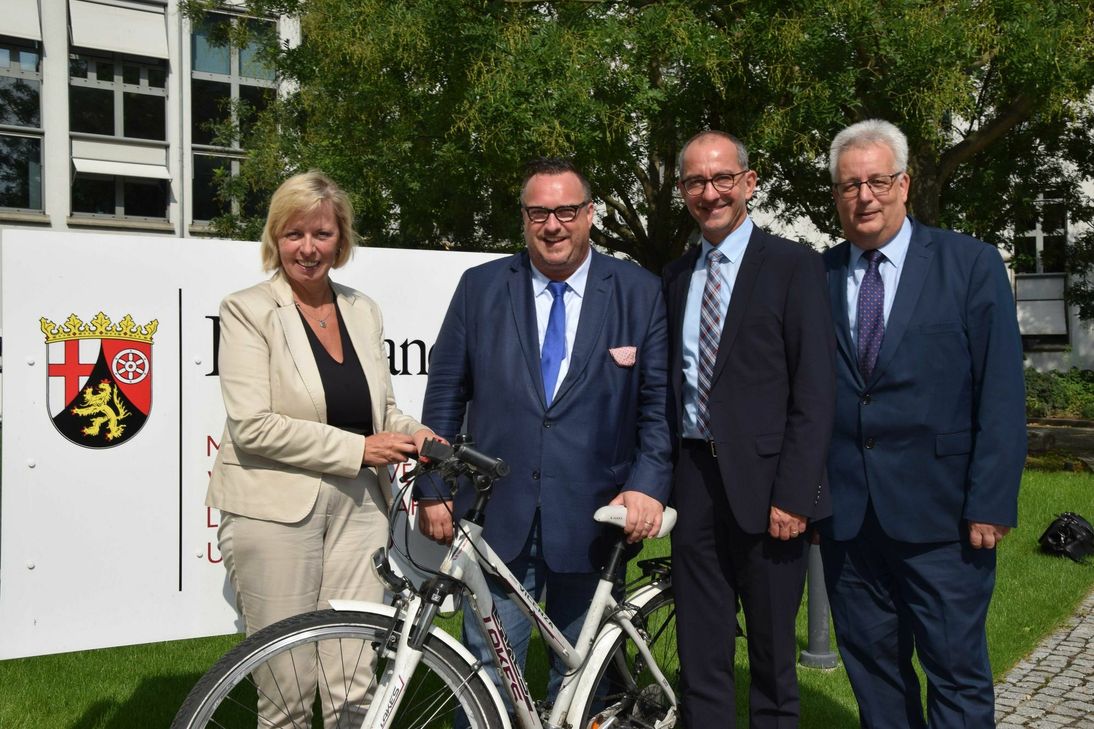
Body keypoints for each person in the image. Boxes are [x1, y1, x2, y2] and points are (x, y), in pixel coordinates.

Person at [417, 157, 673, 710]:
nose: (553, 225)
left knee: (583, 682)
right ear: (524, 218)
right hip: (496, 515)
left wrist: (649, 483)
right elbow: (445, 392)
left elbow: (657, 406)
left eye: (566, 211)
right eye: (539, 213)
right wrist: (433, 485)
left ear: (590, 214)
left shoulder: (638, 291)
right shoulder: (480, 287)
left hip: (594, 518)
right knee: (483, 672)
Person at [206, 170, 435, 727]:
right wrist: (361, 449)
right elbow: (253, 425)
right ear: (275, 238)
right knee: (286, 692)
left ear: (342, 239)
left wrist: (417, 432)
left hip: (361, 509)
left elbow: (378, 409)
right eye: (294, 234)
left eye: (322, 234)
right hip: (274, 510)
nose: (308, 249)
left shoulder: (362, 309)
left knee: (354, 684)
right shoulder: (247, 309)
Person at [819, 119, 1026, 729]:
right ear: (836, 196)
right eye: (850, 185)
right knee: (874, 673)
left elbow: (1002, 392)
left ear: (903, 184)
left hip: (945, 518)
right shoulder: (818, 276)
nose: (865, 196)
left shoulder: (970, 265)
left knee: (955, 672)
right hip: (850, 521)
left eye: (878, 181)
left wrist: (990, 500)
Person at [663, 130, 835, 728]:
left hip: (770, 491)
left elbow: (814, 393)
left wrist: (795, 494)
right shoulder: (677, 276)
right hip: (694, 483)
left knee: (771, 658)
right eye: (695, 181)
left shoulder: (794, 266)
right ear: (682, 189)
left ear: (748, 184)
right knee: (701, 654)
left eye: (722, 179)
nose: (709, 193)